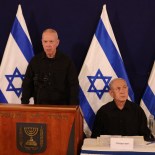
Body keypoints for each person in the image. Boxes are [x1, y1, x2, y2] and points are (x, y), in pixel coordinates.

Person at [21, 28, 79, 105]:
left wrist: (73, 108)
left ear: (57, 42)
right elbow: (27, 84)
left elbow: (73, 86)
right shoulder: (35, 61)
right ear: (42, 42)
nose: (48, 45)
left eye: (51, 41)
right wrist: (24, 104)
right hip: (40, 108)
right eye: (45, 41)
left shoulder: (67, 62)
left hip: (62, 108)